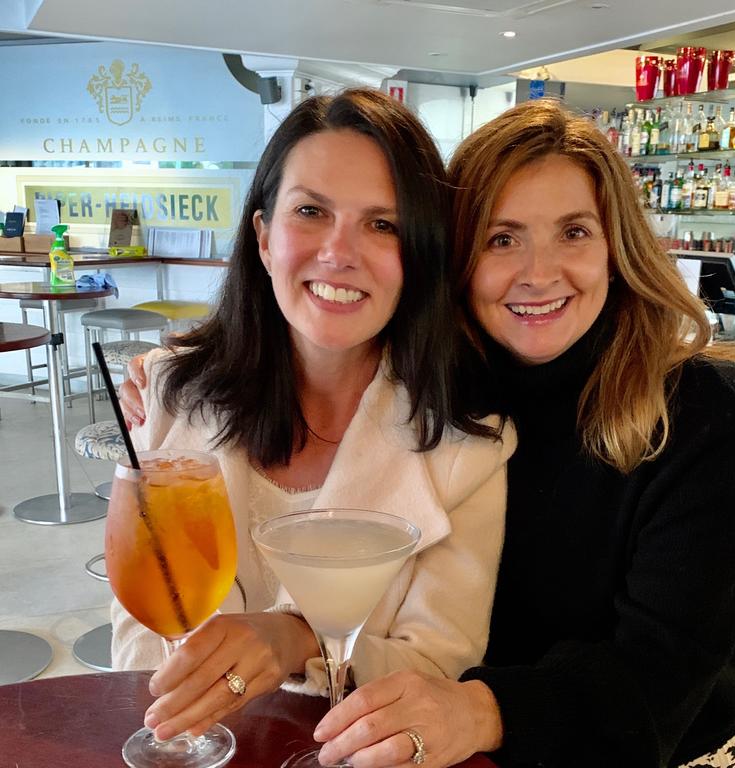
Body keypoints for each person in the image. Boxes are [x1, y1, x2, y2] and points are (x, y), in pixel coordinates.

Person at [311, 100, 735, 768]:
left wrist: (478, 709)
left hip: (680, 739)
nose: (540, 272)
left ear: (616, 247)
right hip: (484, 733)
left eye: (573, 233)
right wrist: (177, 378)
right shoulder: (437, 390)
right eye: (502, 239)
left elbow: (660, 676)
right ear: (459, 261)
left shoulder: (704, 409)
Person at [112, 89, 514, 744]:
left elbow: (441, 663)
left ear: (417, 257)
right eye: (310, 212)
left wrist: (299, 639)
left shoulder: (468, 444)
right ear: (265, 237)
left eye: (382, 224)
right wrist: (181, 728)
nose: (339, 252)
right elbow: (141, 627)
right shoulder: (173, 392)